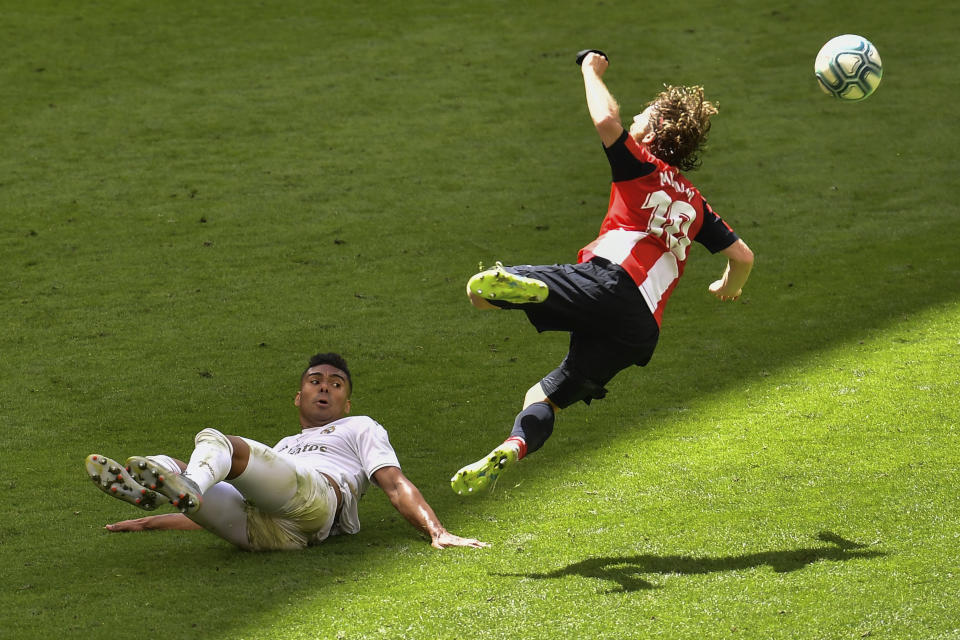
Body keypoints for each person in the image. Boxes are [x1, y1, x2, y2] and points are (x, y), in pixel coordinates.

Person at [450, 51, 754, 495]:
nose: (633, 117)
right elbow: (742, 257)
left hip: (610, 281)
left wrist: (591, 69)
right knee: (544, 397)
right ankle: (514, 445)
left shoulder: (642, 166)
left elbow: (606, 120)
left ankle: (536, 291)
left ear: (651, 132)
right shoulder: (696, 203)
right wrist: (729, 286)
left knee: (479, 295)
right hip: (639, 330)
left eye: (642, 115)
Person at [87, 352, 488, 551]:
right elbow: (207, 508)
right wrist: (147, 525)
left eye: (336, 384)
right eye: (316, 381)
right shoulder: (284, 448)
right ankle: (146, 490)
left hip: (316, 503)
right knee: (176, 465)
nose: (325, 387)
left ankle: (171, 482)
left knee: (219, 443)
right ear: (299, 397)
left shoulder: (360, 425)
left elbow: (394, 483)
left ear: (347, 402)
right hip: (270, 534)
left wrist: (438, 532)